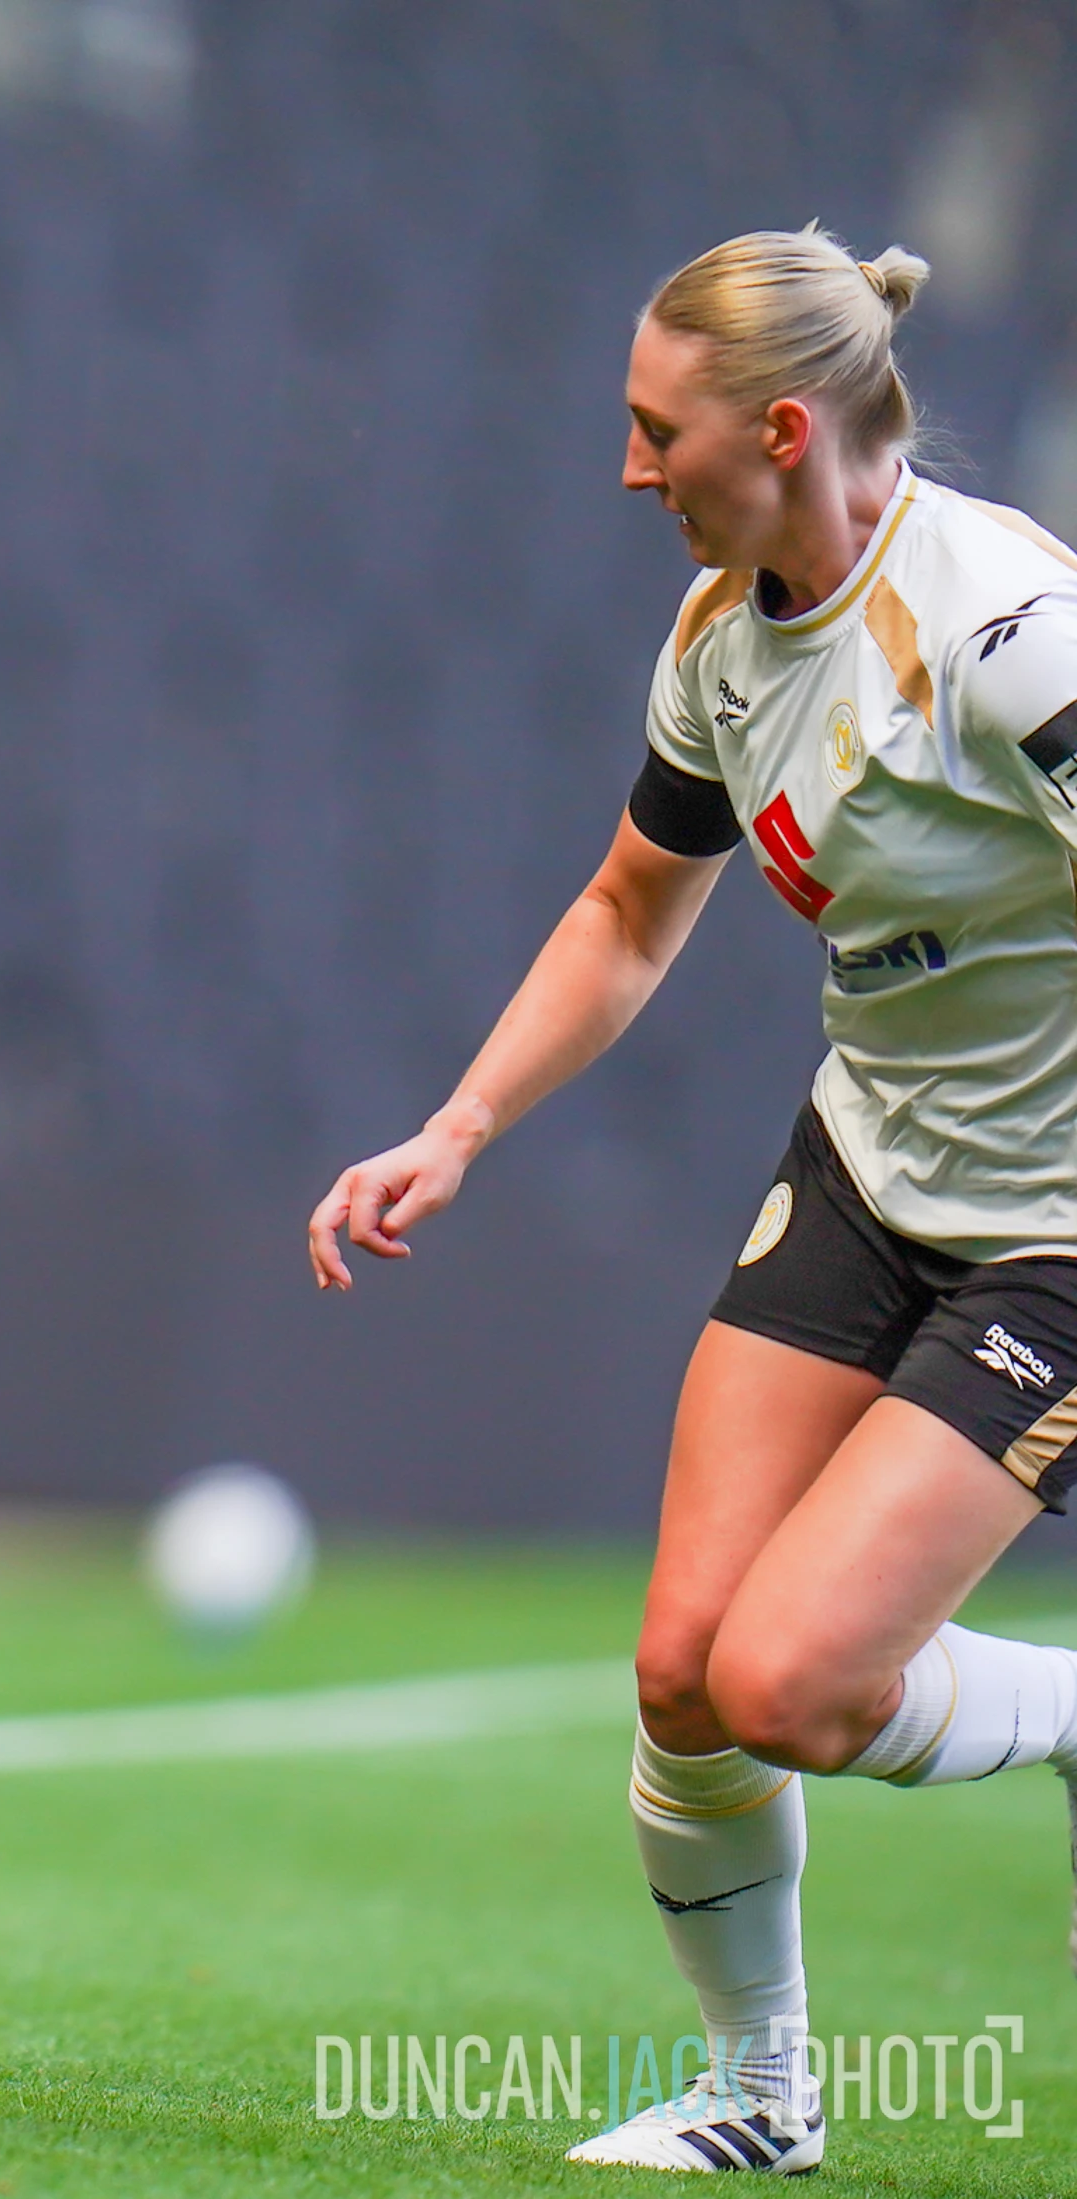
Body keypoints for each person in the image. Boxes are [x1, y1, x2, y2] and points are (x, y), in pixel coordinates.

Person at [310, 227, 1077, 2175]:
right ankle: (764, 2096)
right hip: (867, 1171)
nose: (632, 469)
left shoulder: (1002, 632)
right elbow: (631, 906)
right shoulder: (725, 637)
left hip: (1057, 1231)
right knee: (683, 1670)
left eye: (659, 432)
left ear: (786, 429)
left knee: (800, 1680)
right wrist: (459, 1126)